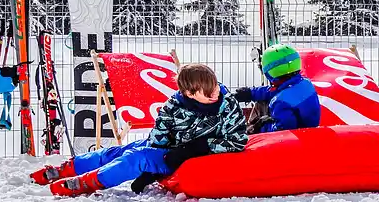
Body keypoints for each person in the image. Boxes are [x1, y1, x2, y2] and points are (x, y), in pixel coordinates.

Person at [29, 63, 248, 197]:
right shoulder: (173, 106)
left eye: (216, 87)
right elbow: (158, 139)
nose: (215, 94)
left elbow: (238, 140)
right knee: (122, 151)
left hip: (188, 154)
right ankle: (65, 169)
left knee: (136, 158)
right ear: (189, 93)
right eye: (207, 91)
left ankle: (88, 182)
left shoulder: (227, 105)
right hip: (170, 150)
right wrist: (153, 168)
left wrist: (199, 147)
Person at [233, 43, 321, 133]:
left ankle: (246, 133)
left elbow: (282, 131)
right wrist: (250, 93)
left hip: (297, 141)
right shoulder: (304, 83)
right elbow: (274, 91)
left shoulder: (280, 102)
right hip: (309, 130)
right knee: (262, 99)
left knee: (261, 105)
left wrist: (260, 127)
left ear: (269, 73)